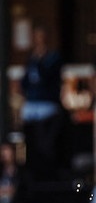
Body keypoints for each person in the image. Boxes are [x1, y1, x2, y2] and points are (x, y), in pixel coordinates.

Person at [20, 24, 64, 181]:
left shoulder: (53, 57)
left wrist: (39, 61)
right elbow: (25, 82)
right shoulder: (30, 58)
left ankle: (48, 174)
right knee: (30, 141)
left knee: (45, 143)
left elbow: (49, 79)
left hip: (47, 104)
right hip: (32, 104)